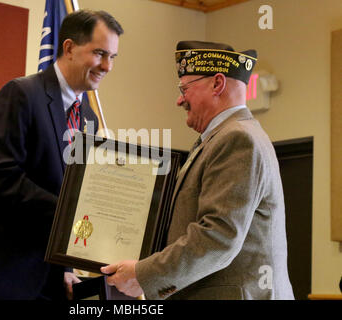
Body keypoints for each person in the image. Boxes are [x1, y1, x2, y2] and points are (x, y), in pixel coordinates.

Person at [0, 10, 123, 300]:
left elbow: (71, 189)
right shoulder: (21, 94)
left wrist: (67, 264)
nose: (107, 66)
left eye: (113, 57)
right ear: (69, 48)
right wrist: (69, 212)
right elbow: (1, 177)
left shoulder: (88, 118)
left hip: (45, 279)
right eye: (100, 53)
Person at [101, 41, 295, 300]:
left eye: (185, 89)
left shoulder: (237, 139)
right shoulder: (222, 138)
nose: (179, 99)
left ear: (217, 84)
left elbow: (217, 236)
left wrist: (143, 275)